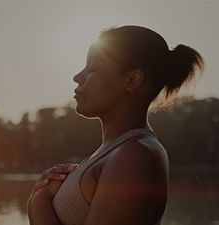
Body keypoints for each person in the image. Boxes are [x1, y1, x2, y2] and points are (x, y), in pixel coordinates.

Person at [27, 25, 205, 225]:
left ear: (132, 79)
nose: (77, 77)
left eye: (93, 66)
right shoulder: (115, 151)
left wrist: (39, 202)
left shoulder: (136, 155)